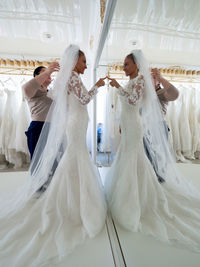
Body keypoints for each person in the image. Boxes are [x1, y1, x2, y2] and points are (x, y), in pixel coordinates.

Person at [0, 45, 106, 266]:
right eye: (84, 61)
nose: (86, 65)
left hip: (72, 123)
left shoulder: (65, 80)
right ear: (75, 61)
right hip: (63, 125)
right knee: (68, 159)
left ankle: (63, 191)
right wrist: (97, 86)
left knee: (67, 160)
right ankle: (60, 195)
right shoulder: (69, 78)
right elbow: (85, 99)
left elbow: (64, 101)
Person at [105, 50, 200, 252]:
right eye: (123, 64)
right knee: (131, 158)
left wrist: (117, 86)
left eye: (127, 64)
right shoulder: (137, 81)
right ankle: (130, 192)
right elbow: (130, 106)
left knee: (138, 159)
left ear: (137, 65)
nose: (124, 67)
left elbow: (131, 101)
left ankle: (139, 197)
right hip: (133, 125)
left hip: (141, 126)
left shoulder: (140, 82)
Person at [23, 62, 60, 159]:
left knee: (53, 162)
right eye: (44, 72)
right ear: (36, 76)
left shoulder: (51, 92)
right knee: (37, 160)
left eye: (49, 74)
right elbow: (25, 89)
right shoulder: (33, 90)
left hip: (52, 128)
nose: (48, 75)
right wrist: (48, 71)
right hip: (38, 127)